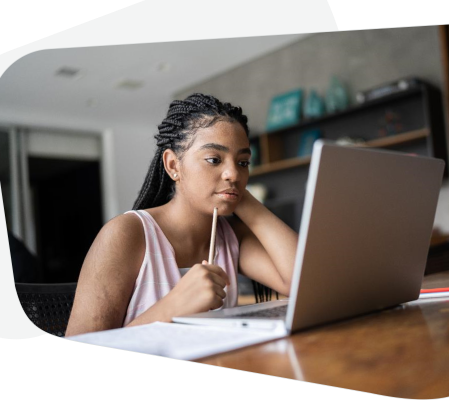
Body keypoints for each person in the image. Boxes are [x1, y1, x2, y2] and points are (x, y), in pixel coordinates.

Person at [65, 93, 298, 336]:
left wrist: (245, 200)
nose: (234, 174)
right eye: (214, 159)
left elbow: (304, 283)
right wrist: (173, 307)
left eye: (242, 163)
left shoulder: (232, 236)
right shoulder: (127, 233)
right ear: (173, 166)